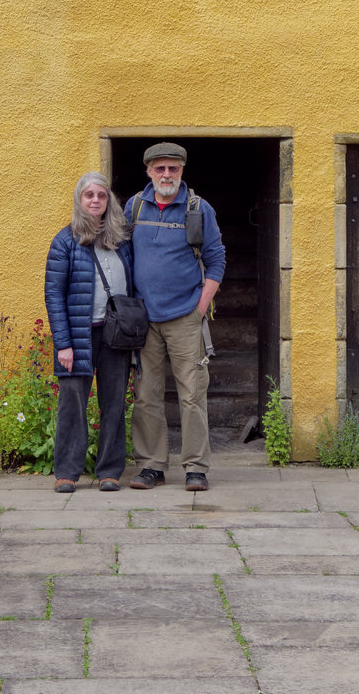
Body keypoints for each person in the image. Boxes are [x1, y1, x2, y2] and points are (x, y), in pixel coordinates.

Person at [125, 142, 225, 491]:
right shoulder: (134, 206)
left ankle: (196, 468)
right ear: (149, 171)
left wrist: (200, 309)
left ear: (182, 171)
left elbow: (216, 260)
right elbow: (123, 256)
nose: (166, 175)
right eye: (159, 169)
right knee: (146, 395)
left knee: (192, 394)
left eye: (173, 169)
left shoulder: (199, 209)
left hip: (185, 317)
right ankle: (152, 466)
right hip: (144, 320)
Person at [44, 172, 133, 493]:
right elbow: (53, 295)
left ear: (109, 201)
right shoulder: (65, 241)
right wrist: (63, 344)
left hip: (115, 337)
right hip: (78, 337)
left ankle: (109, 470)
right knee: (72, 405)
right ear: (79, 200)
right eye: (89, 195)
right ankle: (66, 472)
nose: (95, 200)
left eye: (101, 195)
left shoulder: (121, 241)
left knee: (113, 404)